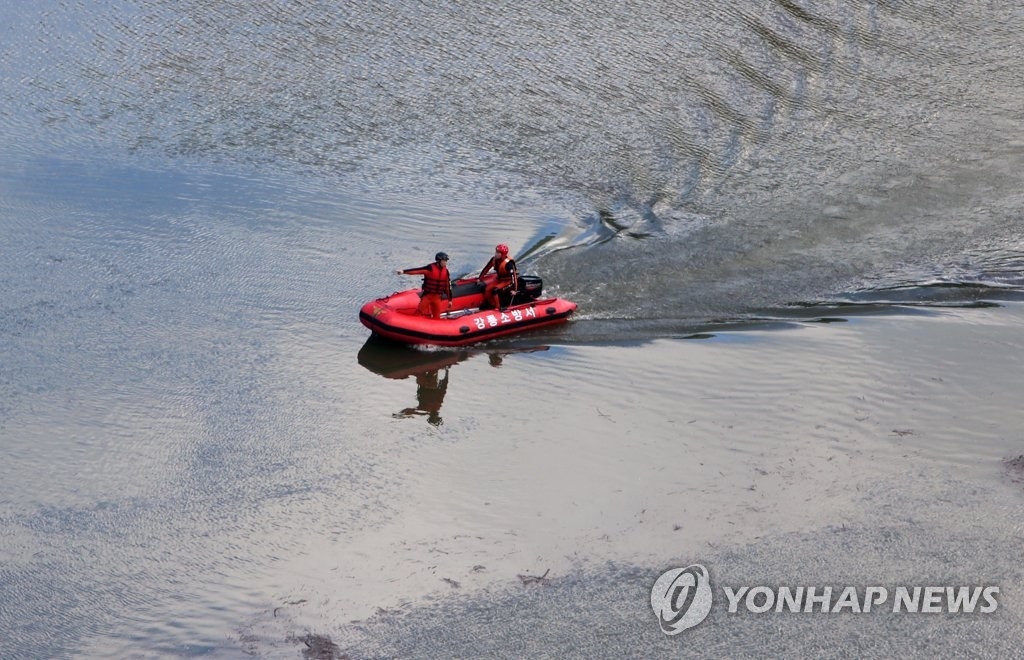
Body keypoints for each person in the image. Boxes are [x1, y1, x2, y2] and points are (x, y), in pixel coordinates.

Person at [396, 252, 453, 318]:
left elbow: (448, 286)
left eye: (446, 261)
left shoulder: (446, 272)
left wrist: (450, 300)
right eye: (444, 261)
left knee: (437, 317)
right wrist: (403, 271)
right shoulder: (430, 268)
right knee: (418, 313)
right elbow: (417, 271)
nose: (445, 263)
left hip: (437, 298)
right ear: (438, 261)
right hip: (428, 296)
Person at [477, 243, 518, 310]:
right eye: (496, 252)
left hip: (508, 281)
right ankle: (492, 304)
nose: (496, 254)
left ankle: (498, 307)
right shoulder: (494, 259)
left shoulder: (509, 264)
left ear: (503, 254)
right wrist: (480, 278)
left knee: (495, 290)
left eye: (498, 253)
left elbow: (514, 277)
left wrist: (514, 290)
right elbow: (486, 268)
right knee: (487, 289)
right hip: (499, 280)